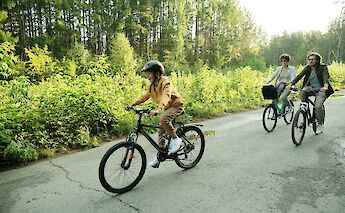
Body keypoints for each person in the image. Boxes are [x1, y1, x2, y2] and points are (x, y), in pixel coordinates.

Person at [131, 60, 185, 167]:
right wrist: (132, 104)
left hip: (176, 105)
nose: (147, 76)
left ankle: (176, 139)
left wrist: (158, 109)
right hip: (167, 108)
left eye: (149, 73)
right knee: (161, 130)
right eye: (146, 74)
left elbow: (166, 95)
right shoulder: (152, 87)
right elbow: (144, 97)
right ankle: (160, 154)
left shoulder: (165, 82)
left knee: (163, 119)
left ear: (157, 73)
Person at [287, 52, 334, 134]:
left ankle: (320, 123)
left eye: (313, 59)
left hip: (321, 90)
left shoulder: (323, 67)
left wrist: (325, 86)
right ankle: (304, 105)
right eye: (309, 59)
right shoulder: (308, 68)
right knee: (302, 91)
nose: (310, 61)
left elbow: (325, 76)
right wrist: (291, 84)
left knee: (317, 106)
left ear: (317, 60)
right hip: (310, 88)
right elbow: (299, 76)